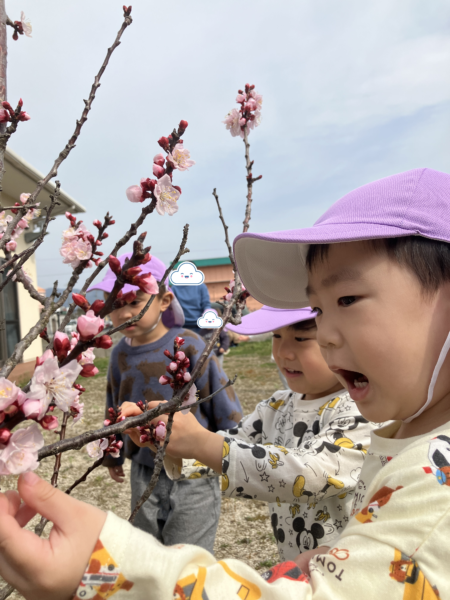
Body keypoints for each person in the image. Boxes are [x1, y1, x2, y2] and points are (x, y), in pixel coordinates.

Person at [3, 168, 450, 599]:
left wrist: (108, 570)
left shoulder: (434, 476)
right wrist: (173, 442)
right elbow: (234, 443)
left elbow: (312, 473)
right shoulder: (309, 411)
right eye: (318, 310)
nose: (327, 335)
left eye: (348, 299)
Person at [125, 305, 381, 564]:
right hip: (296, 565)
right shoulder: (277, 406)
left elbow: (309, 476)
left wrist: (200, 442)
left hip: (350, 568)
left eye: (301, 338)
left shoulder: (364, 410)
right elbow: (231, 448)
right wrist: (167, 442)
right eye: (276, 336)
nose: (282, 352)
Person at [86, 252, 243, 553]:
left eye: (135, 302)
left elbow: (221, 398)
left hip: (194, 465)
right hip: (144, 467)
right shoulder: (119, 354)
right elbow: (114, 404)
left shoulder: (190, 344)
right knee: (147, 548)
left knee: (189, 550)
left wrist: (233, 449)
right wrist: (111, 454)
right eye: (115, 305)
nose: (124, 313)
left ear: (164, 301)